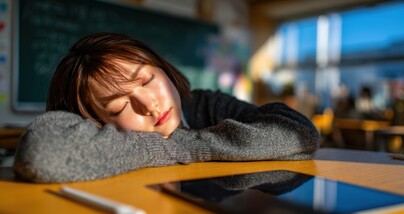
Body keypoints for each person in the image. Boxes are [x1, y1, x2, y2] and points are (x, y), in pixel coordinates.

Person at [13, 32, 320, 183]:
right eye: (120, 107)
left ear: (163, 68)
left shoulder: (204, 105)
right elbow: (42, 154)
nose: (149, 104)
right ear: (94, 122)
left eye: (147, 80)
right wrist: (166, 148)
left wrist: (186, 145)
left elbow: (299, 132)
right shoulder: (97, 138)